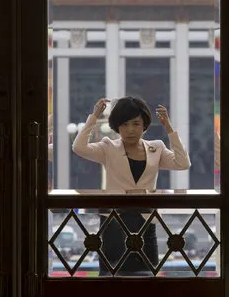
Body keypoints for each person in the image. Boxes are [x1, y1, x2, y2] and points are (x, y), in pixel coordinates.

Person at [72, 96, 191, 276]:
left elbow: (183, 163)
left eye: (136, 124)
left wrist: (169, 129)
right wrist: (94, 116)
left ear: (145, 125)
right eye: (124, 124)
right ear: (117, 126)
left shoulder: (156, 148)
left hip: (144, 219)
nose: (130, 130)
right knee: (111, 276)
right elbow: (79, 148)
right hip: (114, 220)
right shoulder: (108, 147)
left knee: (147, 275)